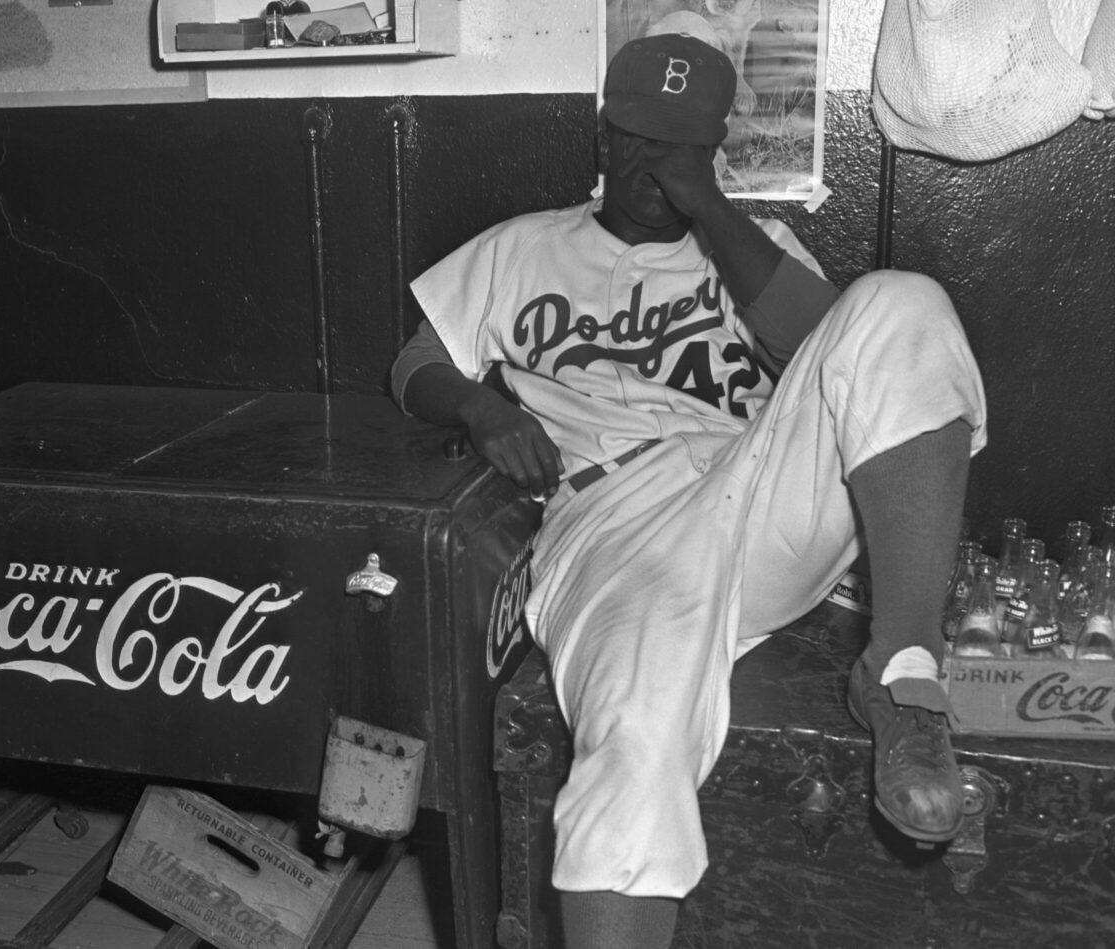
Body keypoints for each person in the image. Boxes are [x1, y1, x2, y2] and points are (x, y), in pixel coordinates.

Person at [390, 29, 987, 949]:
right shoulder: (522, 248)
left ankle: (904, 673)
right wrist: (478, 407)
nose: (658, 162)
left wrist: (709, 209)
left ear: (713, 149)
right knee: (630, 745)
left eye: (684, 143)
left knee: (904, 301)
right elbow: (414, 359)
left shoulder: (755, 246)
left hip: (758, 492)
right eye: (641, 137)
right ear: (604, 134)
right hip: (612, 518)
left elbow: (863, 360)